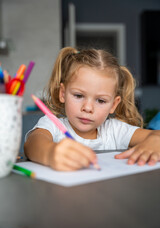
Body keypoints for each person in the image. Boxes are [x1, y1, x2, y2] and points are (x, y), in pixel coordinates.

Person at [24, 47, 160, 171]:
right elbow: (32, 144)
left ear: (114, 104)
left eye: (101, 100)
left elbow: (155, 135)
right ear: (63, 93)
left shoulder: (114, 130)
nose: (88, 108)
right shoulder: (53, 124)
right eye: (78, 95)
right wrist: (50, 153)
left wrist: (155, 140)